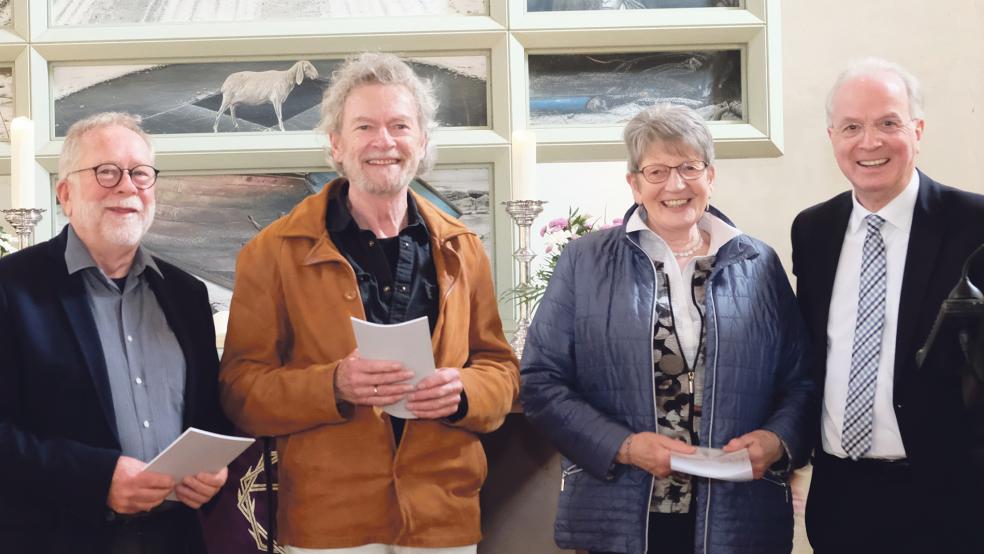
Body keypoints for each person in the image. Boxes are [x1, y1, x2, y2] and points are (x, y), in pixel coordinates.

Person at [218, 53, 519, 554]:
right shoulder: (270, 252)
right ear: (336, 144)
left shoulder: (463, 248)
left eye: (400, 125)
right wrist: (331, 384)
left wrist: (465, 390)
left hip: (443, 520)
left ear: (422, 143)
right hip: (326, 525)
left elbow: (500, 370)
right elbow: (240, 392)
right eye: (364, 127)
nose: (384, 141)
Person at [520, 103, 815, 554]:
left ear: (711, 177)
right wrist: (624, 446)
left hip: (737, 518)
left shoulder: (759, 263)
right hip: (618, 511)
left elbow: (802, 381)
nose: (675, 185)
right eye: (656, 171)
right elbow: (542, 383)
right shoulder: (584, 261)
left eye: (689, 168)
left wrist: (777, 440)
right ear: (634, 184)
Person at [0, 112, 229, 553]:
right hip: (56, 538)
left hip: (176, 538)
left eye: (140, 174)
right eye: (106, 172)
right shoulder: (12, 289)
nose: (127, 186)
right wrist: (96, 479)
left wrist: (212, 472)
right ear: (65, 194)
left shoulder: (186, 295)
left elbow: (207, 418)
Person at [792, 58, 984, 554]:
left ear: (917, 130)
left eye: (888, 123)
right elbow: (810, 354)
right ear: (832, 136)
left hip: (952, 500)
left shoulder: (974, 227)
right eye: (852, 127)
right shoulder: (813, 231)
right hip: (840, 496)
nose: (869, 142)